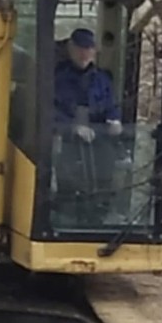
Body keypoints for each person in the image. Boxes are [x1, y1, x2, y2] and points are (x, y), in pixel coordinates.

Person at [53, 28, 123, 224]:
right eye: (80, 49)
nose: (84, 54)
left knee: (103, 180)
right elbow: (49, 109)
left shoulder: (102, 79)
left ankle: (100, 215)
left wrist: (114, 120)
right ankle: (65, 216)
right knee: (68, 184)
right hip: (66, 144)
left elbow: (112, 106)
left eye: (89, 49)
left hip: (98, 144)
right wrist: (73, 127)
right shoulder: (57, 78)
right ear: (70, 48)